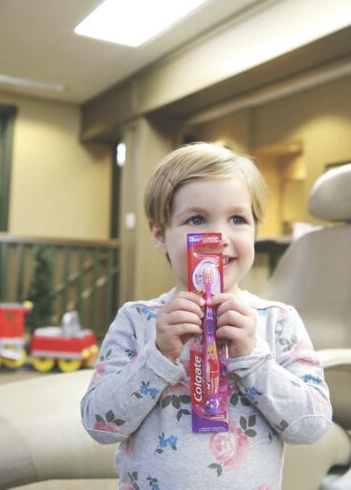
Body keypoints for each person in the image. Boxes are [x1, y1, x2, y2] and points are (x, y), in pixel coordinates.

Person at [81, 142, 332, 489]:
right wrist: (156, 356)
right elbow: (98, 424)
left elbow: (313, 424)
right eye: (196, 219)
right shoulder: (137, 321)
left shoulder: (278, 321)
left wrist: (254, 358)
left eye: (238, 219)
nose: (219, 237)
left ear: (256, 230)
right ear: (159, 235)